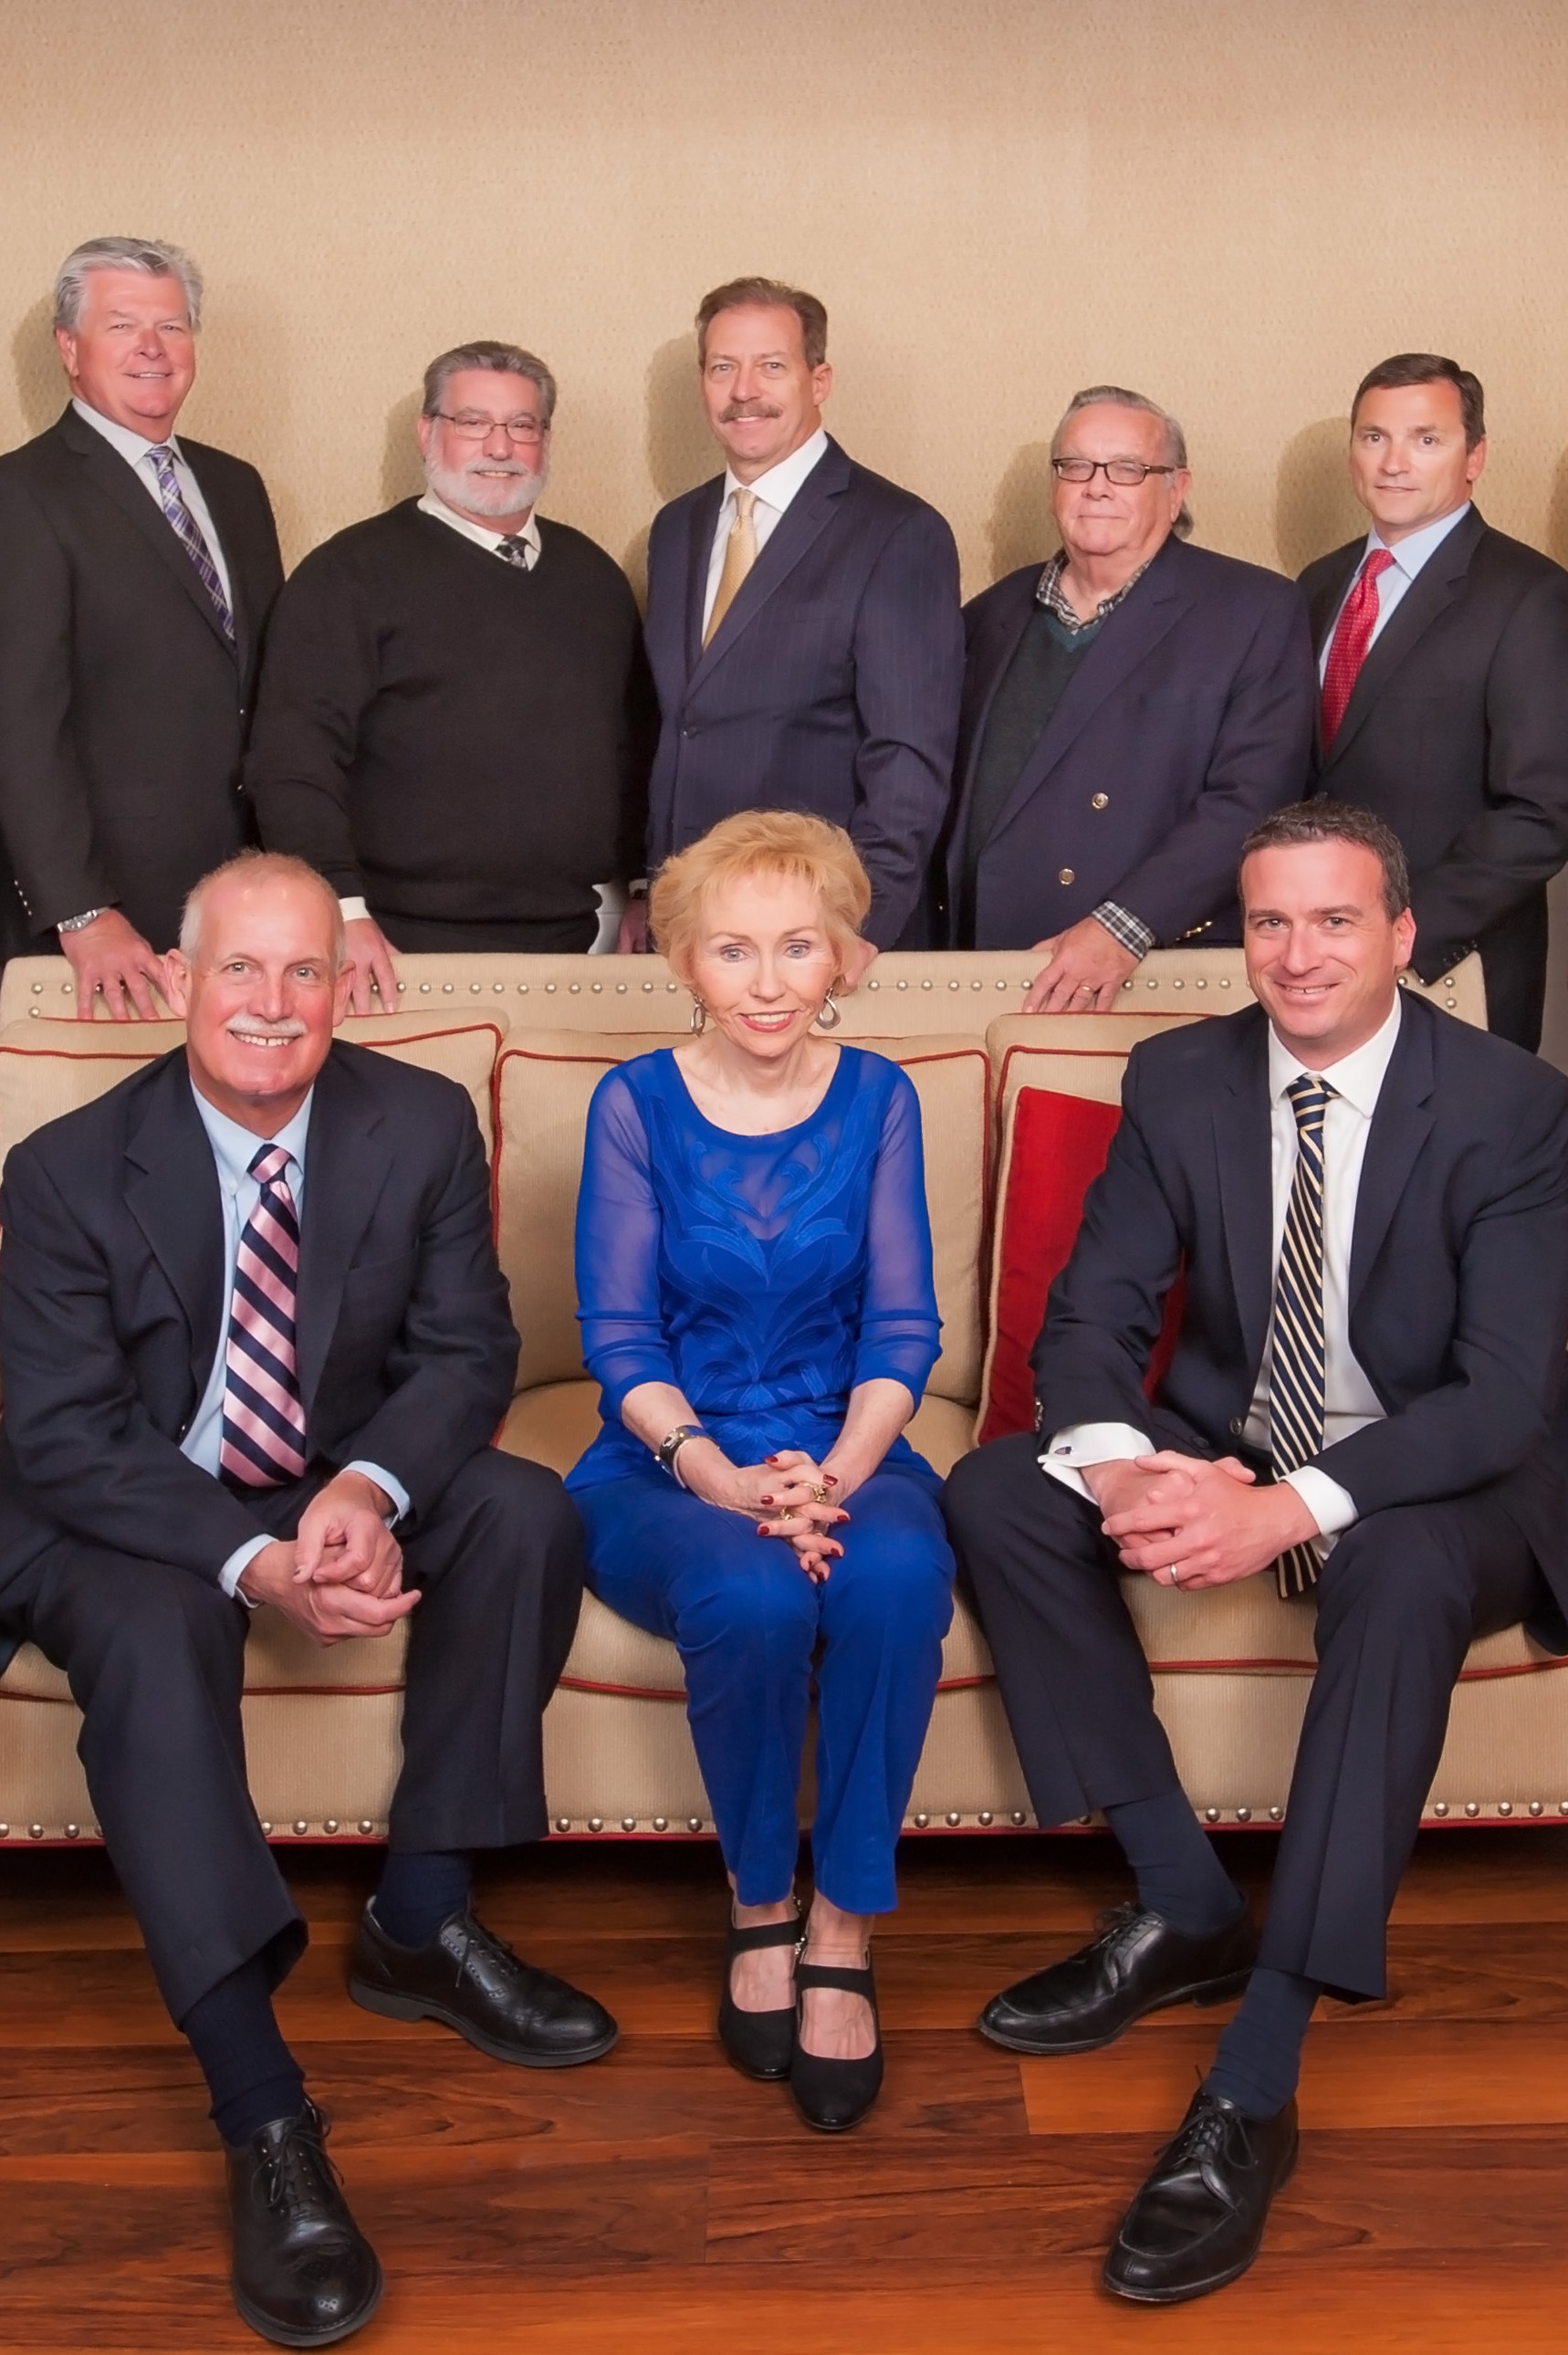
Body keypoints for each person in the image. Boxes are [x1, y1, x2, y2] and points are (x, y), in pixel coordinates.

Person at [0, 853, 616, 2347]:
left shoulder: (417, 1124)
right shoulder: (63, 1167)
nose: (274, 1004)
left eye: (305, 972)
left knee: (521, 1512)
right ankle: (262, 2111)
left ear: (339, 986)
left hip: (316, 1472)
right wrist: (257, 1561)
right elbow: (62, 1437)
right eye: (241, 969)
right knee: (168, 1629)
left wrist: (362, 1496)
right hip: (115, 1500)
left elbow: (463, 1357)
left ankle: (422, 1921)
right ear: (179, 985)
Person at [945, 801, 1568, 2305]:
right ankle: (1181, 1897)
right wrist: (1124, 1474)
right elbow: (1094, 1314)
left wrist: (1289, 1507)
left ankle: (1256, 2069)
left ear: (1400, 936)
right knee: (1000, 1493)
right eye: (1266, 922)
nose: (1296, 955)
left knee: (1398, 1568)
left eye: (1331, 922)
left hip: (1457, 1468)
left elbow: (1500, 1396)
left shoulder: (1509, 1105)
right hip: (1242, 1429)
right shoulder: (1181, 1076)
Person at [569, 811, 956, 2132]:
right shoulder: (630, 1105)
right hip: (663, 1459)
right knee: (758, 1597)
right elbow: (617, 1340)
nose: (770, 980)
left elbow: (904, 1327)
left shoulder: (883, 1097)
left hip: (847, 1443)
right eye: (734, 950)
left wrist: (835, 1477)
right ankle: (758, 1904)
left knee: (898, 1572)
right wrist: (723, 1479)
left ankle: (842, 1927)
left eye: (801, 947)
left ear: (844, 957)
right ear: (682, 963)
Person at [246, 340, 653, 1011]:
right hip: (391, 949)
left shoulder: (593, 579)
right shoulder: (349, 576)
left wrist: (643, 888)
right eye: (472, 423)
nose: (499, 446)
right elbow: (293, 760)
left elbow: (635, 747)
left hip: (573, 949)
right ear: (427, 432)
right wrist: (342, 915)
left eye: (521, 426)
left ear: (544, 441)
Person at [0, 236, 284, 1008]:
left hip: (235, 913)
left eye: (171, 327)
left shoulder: (236, 487)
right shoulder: (15, 497)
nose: (152, 349)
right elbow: (14, 726)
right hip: (98, 930)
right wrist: (82, 911)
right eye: (122, 325)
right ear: (69, 347)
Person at [935, 387, 1311, 1007]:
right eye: (1075, 465)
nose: (1096, 486)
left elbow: (1253, 800)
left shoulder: (1251, 611)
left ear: (1176, 487)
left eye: (1128, 469)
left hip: (1143, 972)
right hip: (984, 965)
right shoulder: (989, 615)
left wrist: (1122, 926)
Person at [635, 278, 963, 949]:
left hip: (816, 934)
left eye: (771, 366)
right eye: (722, 367)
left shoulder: (897, 532)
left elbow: (907, 755)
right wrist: (650, 893)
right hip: (689, 925)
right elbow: (678, 726)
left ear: (819, 380)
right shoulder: (676, 529)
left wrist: (857, 926)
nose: (743, 390)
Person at [1299, 354, 1568, 1050]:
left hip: (1451, 962)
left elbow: (1542, 809)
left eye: (1425, 439)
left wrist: (1400, 933)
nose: (1394, 462)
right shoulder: (1317, 586)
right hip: (1312, 968)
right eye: (1374, 437)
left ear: (1475, 456)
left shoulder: (1531, 596)